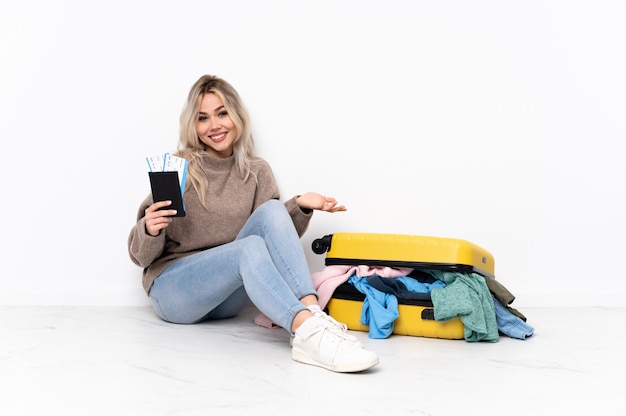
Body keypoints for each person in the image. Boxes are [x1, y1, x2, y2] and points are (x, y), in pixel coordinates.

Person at [127, 74, 379, 373]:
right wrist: (149, 229)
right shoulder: (176, 168)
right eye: (203, 118)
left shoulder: (257, 171)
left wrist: (298, 207)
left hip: (227, 298)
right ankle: (307, 331)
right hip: (175, 291)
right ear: (193, 126)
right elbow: (140, 256)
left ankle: (312, 315)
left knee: (273, 211)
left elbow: (275, 242)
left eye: (222, 113)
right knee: (247, 248)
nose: (215, 125)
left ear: (236, 115)